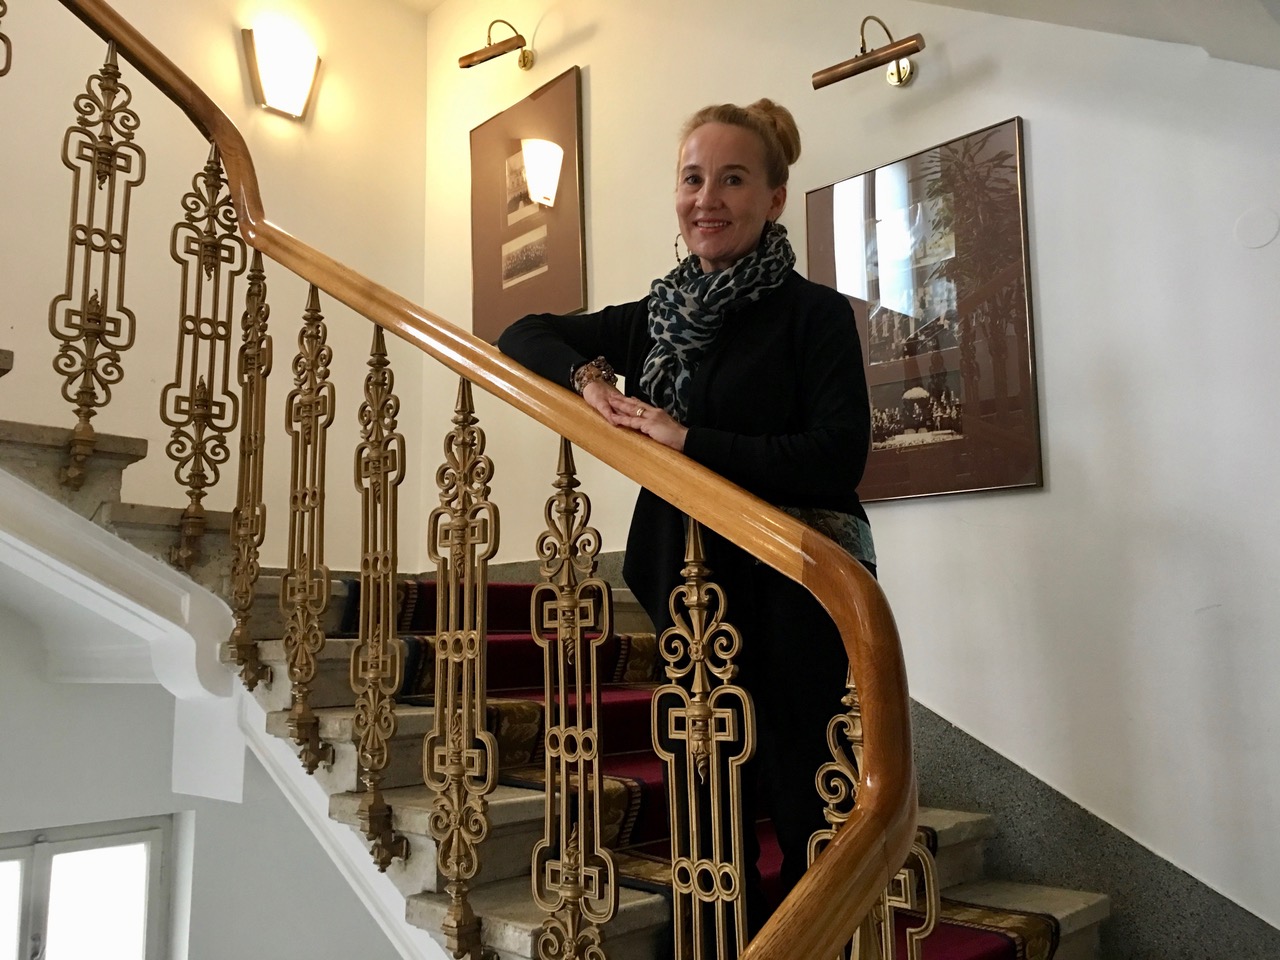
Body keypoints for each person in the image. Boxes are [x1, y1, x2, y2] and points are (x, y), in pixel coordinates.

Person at [498, 99, 875, 931]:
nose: (707, 198)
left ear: (774, 197)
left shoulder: (815, 315)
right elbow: (522, 331)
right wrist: (591, 379)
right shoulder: (658, 316)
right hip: (692, 598)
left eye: (732, 179)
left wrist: (687, 439)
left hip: (793, 591)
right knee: (709, 812)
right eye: (692, 178)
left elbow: (835, 456)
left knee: (806, 800)